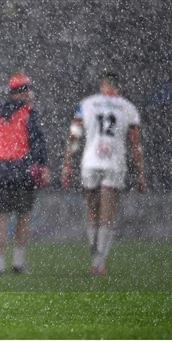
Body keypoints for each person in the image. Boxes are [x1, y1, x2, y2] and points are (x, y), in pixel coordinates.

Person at [61, 71, 146, 276]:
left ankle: (95, 261)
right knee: (108, 215)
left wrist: (67, 163)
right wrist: (141, 173)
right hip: (114, 164)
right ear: (118, 87)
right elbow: (136, 146)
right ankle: (99, 264)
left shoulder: (87, 104)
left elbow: (74, 135)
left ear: (102, 86)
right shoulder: (128, 108)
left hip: (90, 163)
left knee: (92, 212)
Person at [0, 73, 49, 274]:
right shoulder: (29, 113)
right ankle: (18, 263)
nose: (31, 93)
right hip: (21, 171)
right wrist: (41, 164)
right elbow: (38, 143)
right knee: (23, 217)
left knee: (0, 219)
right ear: (21, 93)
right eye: (28, 89)